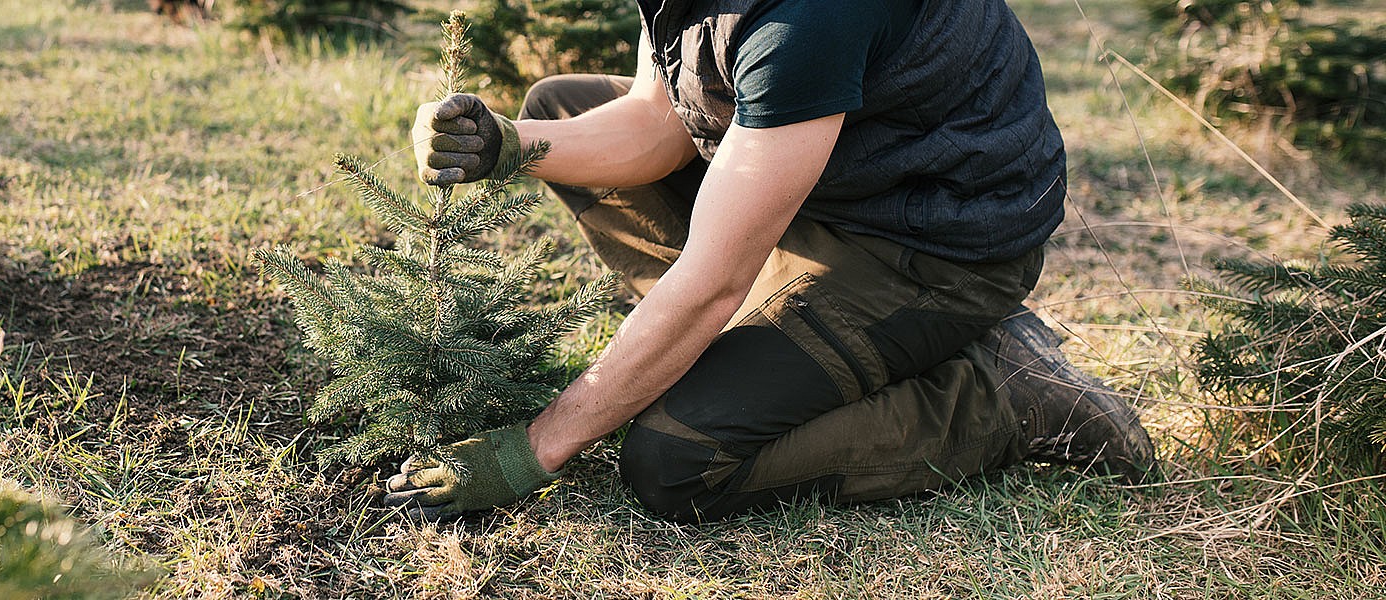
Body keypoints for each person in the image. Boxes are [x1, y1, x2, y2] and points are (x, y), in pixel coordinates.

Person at [380, 0, 1157, 523]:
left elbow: (714, 283)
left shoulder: (809, 17)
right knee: (558, 112)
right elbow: (661, 121)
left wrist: (530, 451)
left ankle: (1005, 395)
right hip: (815, 186)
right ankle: (792, 338)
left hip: (928, 247)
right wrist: (511, 145)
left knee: (674, 460)